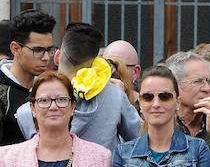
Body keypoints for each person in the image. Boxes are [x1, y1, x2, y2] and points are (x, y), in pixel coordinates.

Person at [16, 22, 142, 150]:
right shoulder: (115, 96)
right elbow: (141, 139)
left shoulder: (27, 113)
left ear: (57, 57)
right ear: (95, 62)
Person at [0, 9, 56, 145]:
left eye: (49, 50)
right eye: (38, 50)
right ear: (15, 49)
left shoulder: (51, 87)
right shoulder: (3, 93)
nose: (46, 58)